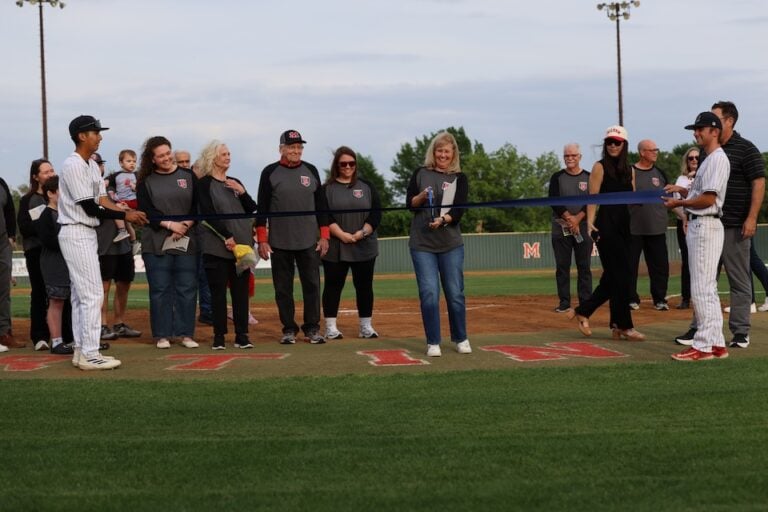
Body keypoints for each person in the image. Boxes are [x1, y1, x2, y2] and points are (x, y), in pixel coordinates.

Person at [58, 115, 147, 370]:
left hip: (85, 232)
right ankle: (90, 352)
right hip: (76, 229)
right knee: (92, 293)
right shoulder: (73, 164)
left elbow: (103, 199)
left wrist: (129, 211)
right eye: (95, 132)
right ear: (81, 136)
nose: (100, 136)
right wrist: (124, 214)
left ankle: (80, 350)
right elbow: (90, 206)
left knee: (80, 295)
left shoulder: (90, 165)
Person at [675, 101, 765, 349]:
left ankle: (739, 332)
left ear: (729, 121)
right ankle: (700, 329)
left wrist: (752, 217)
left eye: (714, 119)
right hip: (707, 223)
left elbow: (758, 183)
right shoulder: (708, 152)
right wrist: (684, 196)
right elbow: (701, 187)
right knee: (705, 280)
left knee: (737, 279)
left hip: (734, 223)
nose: (708, 125)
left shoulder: (746, 149)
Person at [663, 112, 730, 361]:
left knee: (701, 287)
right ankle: (715, 343)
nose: (696, 133)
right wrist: (682, 189)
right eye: (695, 129)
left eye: (700, 129)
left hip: (705, 223)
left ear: (714, 131)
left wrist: (679, 202)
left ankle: (702, 346)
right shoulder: (708, 159)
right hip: (702, 224)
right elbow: (700, 190)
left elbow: (708, 199)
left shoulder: (717, 159)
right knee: (707, 288)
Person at [567, 126, 645, 341]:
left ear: (624, 145)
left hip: (624, 226)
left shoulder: (631, 170)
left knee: (615, 277)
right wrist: (590, 223)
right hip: (605, 227)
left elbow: (633, 197)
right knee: (621, 277)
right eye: (609, 142)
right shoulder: (599, 167)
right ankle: (624, 326)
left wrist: (656, 198)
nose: (612, 145)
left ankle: (589, 313)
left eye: (617, 142)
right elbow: (593, 198)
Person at [256, 130, 329, 345]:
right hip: (279, 242)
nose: (296, 151)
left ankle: (312, 328)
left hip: (308, 241)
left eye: (299, 147)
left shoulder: (311, 170)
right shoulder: (269, 172)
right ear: (281, 149)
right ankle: (288, 328)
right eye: (291, 147)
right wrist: (262, 239)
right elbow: (262, 208)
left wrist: (324, 236)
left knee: (312, 286)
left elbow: (322, 207)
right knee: (283, 289)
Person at [406, 131, 471, 357]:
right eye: (439, 150)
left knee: (454, 292)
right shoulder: (420, 173)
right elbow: (410, 205)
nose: (443, 154)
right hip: (422, 244)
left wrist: (443, 220)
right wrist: (422, 196)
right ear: (433, 152)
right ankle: (433, 341)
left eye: (447, 151)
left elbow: (460, 210)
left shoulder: (459, 178)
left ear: (453, 154)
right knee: (429, 292)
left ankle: (460, 337)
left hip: (451, 243)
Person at [137, 136, 200, 349]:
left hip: (187, 241)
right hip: (156, 243)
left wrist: (185, 225)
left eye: (167, 153)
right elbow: (147, 211)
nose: (166, 158)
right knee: (160, 289)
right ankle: (162, 334)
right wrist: (171, 226)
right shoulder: (145, 181)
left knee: (187, 288)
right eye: (160, 156)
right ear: (152, 159)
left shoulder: (189, 176)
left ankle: (185, 334)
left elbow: (198, 207)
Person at [198, 140, 256, 350]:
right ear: (213, 157)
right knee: (218, 294)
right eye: (224, 154)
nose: (228, 157)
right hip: (216, 247)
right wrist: (226, 235)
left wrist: (242, 191)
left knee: (241, 294)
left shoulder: (235, 182)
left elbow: (252, 209)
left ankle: (242, 336)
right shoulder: (204, 184)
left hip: (241, 249)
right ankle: (219, 337)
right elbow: (207, 212)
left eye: (229, 154)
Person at [321, 146, 382, 340]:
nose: (348, 167)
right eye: (343, 164)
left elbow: (376, 213)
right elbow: (324, 215)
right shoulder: (326, 189)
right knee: (333, 286)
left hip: (364, 244)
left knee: (364, 286)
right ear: (336, 166)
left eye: (352, 163)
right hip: (337, 246)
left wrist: (361, 233)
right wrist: (342, 235)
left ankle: (366, 327)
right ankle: (330, 327)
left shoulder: (367, 186)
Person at [547, 143, 592, 313]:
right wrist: (569, 218)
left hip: (583, 228)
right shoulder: (557, 177)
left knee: (584, 267)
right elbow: (553, 200)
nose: (570, 159)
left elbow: (592, 201)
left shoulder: (589, 177)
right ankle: (564, 302)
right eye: (567, 156)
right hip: (561, 229)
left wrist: (578, 218)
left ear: (580, 156)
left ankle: (586, 302)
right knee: (562, 267)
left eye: (573, 155)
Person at [17, 159, 55, 350]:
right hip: (36, 251)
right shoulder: (28, 199)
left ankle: (61, 335)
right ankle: (39, 337)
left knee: (60, 293)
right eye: (46, 172)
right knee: (40, 293)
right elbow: (24, 228)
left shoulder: (58, 196)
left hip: (56, 251)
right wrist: (45, 224)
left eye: (52, 171)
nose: (50, 174)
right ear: (36, 176)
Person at [628, 139, 670, 311]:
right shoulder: (630, 171)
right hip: (633, 228)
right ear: (642, 152)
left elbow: (669, 198)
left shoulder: (659, 173)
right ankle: (631, 298)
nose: (655, 152)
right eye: (652, 150)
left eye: (656, 149)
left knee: (660, 266)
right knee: (630, 265)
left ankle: (660, 299)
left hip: (657, 228)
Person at [35, 176, 74, 355]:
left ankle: (73, 339)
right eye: (61, 190)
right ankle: (56, 341)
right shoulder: (46, 215)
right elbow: (49, 241)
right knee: (56, 301)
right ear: (51, 193)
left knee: (72, 302)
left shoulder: (65, 213)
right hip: (54, 264)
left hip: (68, 263)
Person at [671, 147, 699, 310]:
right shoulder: (681, 179)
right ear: (686, 161)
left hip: (700, 221)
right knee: (687, 261)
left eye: (697, 157)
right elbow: (674, 203)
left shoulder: (704, 175)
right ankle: (686, 297)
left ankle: (701, 297)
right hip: (684, 222)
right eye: (691, 158)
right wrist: (684, 218)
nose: (694, 160)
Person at [0, 174, 18, 352]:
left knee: (4, 290)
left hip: (3, 242)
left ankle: (4, 333)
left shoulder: (1, 182)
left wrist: (11, 235)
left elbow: (10, 210)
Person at [107, 149, 139, 245]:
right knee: (127, 222)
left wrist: (133, 186)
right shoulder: (116, 175)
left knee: (116, 208)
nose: (132, 164)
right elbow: (107, 182)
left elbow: (140, 190)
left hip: (132, 200)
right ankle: (134, 242)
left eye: (134, 161)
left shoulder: (136, 175)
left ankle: (122, 231)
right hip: (123, 201)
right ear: (121, 163)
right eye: (129, 161)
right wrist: (110, 190)